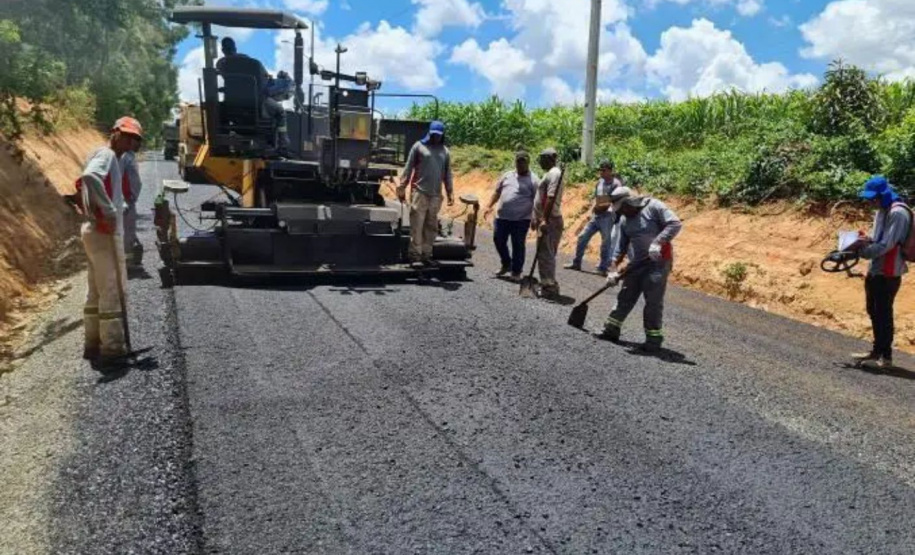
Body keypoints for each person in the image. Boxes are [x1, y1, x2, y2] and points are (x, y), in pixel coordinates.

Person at [79, 117, 142, 363]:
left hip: (93, 230)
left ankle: (92, 343)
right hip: (104, 233)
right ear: (115, 133)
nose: (129, 143)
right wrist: (109, 210)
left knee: (95, 291)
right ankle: (113, 349)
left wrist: (117, 204)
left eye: (134, 139)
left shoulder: (101, 154)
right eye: (126, 137)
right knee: (112, 290)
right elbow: (90, 177)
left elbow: (92, 184)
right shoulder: (106, 155)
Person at [599, 190, 682, 352]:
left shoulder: (654, 207)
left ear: (629, 202)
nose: (622, 212)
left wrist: (658, 242)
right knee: (625, 295)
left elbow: (675, 223)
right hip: (637, 263)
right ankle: (611, 329)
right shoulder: (624, 220)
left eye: (622, 208)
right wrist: (612, 270)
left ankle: (653, 340)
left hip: (658, 263)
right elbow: (620, 248)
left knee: (653, 302)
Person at [847, 176, 912, 369]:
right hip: (876, 268)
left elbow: (887, 245)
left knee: (884, 313)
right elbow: (877, 239)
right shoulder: (882, 210)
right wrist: (862, 240)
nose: (870, 202)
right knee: (873, 310)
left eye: (873, 198)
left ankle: (886, 357)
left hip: (889, 271)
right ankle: (877, 351)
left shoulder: (898, 213)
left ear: (883, 195)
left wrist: (863, 252)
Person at [217, 37, 289, 153]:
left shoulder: (222, 64)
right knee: (280, 111)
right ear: (235, 48)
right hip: (256, 106)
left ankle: (223, 143)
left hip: (232, 108)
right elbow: (265, 84)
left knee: (219, 108)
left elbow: (230, 82)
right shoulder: (253, 63)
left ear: (223, 50)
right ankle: (282, 144)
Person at [397, 120, 454, 267]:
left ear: (442, 135)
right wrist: (402, 187)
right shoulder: (418, 147)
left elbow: (447, 173)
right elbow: (408, 168)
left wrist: (450, 192)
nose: (436, 137)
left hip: (435, 195)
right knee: (417, 225)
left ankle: (426, 255)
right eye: (434, 134)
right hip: (419, 192)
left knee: (431, 226)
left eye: (439, 135)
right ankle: (415, 256)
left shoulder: (445, 151)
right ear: (429, 133)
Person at [483, 151, 538, 281]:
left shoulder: (534, 180)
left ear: (528, 163)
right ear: (515, 162)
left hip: (521, 219)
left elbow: (537, 201)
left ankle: (516, 271)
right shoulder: (507, 175)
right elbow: (497, 192)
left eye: (523, 162)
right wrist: (488, 206)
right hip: (502, 217)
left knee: (518, 244)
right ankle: (506, 263)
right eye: (518, 161)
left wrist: (535, 217)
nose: (520, 164)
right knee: (498, 240)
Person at [565, 159, 622, 276]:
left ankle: (603, 268)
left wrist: (601, 207)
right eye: (600, 170)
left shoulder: (616, 184)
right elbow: (597, 198)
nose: (601, 172)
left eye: (604, 170)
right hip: (596, 215)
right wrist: (594, 210)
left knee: (605, 243)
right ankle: (576, 262)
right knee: (582, 237)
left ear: (610, 171)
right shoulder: (600, 182)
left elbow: (613, 201)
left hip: (607, 217)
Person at [531, 148, 565, 299]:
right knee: (544, 253)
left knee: (546, 254)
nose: (540, 161)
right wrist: (535, 217)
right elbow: (542, 197)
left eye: (542, 158)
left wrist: (544, 219)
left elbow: (550, 198)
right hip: (546, 218)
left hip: (550, 219)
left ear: (550, 158)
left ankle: (549, 286)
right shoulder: (550, 173)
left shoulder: (555, 173)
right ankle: (546, 283)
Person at [117, 118, 144, 267]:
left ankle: (128, 261)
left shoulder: (129, 156)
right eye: (136, 139)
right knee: (125, 234)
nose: (139, 143)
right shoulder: (123, 157)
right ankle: (124, 264)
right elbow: (118, 179)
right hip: (124, 203)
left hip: (129, 202)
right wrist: (124, 201)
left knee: (129, 232)